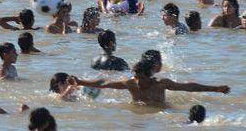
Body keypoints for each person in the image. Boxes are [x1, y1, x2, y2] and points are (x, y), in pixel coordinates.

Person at [72, 57, 229, 107]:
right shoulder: (130, 83)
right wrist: (80, 82)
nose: (138, 81)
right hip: (138, 113)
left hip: (161, 111)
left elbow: (189, 87)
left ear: (150, 76)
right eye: (136, 77)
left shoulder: (161, 83)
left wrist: (216, 89)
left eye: (141, 78)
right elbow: (104, 83)